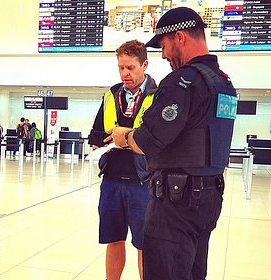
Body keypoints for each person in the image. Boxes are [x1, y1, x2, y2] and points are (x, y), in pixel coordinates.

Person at [111, 7, 237, 280]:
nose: (164, 55)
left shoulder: (183, 82)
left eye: (165, 46)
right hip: (209, 198)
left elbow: (148, 139)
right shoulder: (223, 84)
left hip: (177, 203)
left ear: (180, 37)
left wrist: (125, 136)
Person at [88, 40, 157, 280]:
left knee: (144, 244)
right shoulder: (111, 94)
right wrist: (99, 142)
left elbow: (158, 138)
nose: (125, 73)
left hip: (143, 182)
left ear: (144, 65)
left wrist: (126, 137)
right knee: (113, 238)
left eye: (130, 68)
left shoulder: (157, 96)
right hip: (112, 179)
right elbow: (96, 131)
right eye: (121, 68)